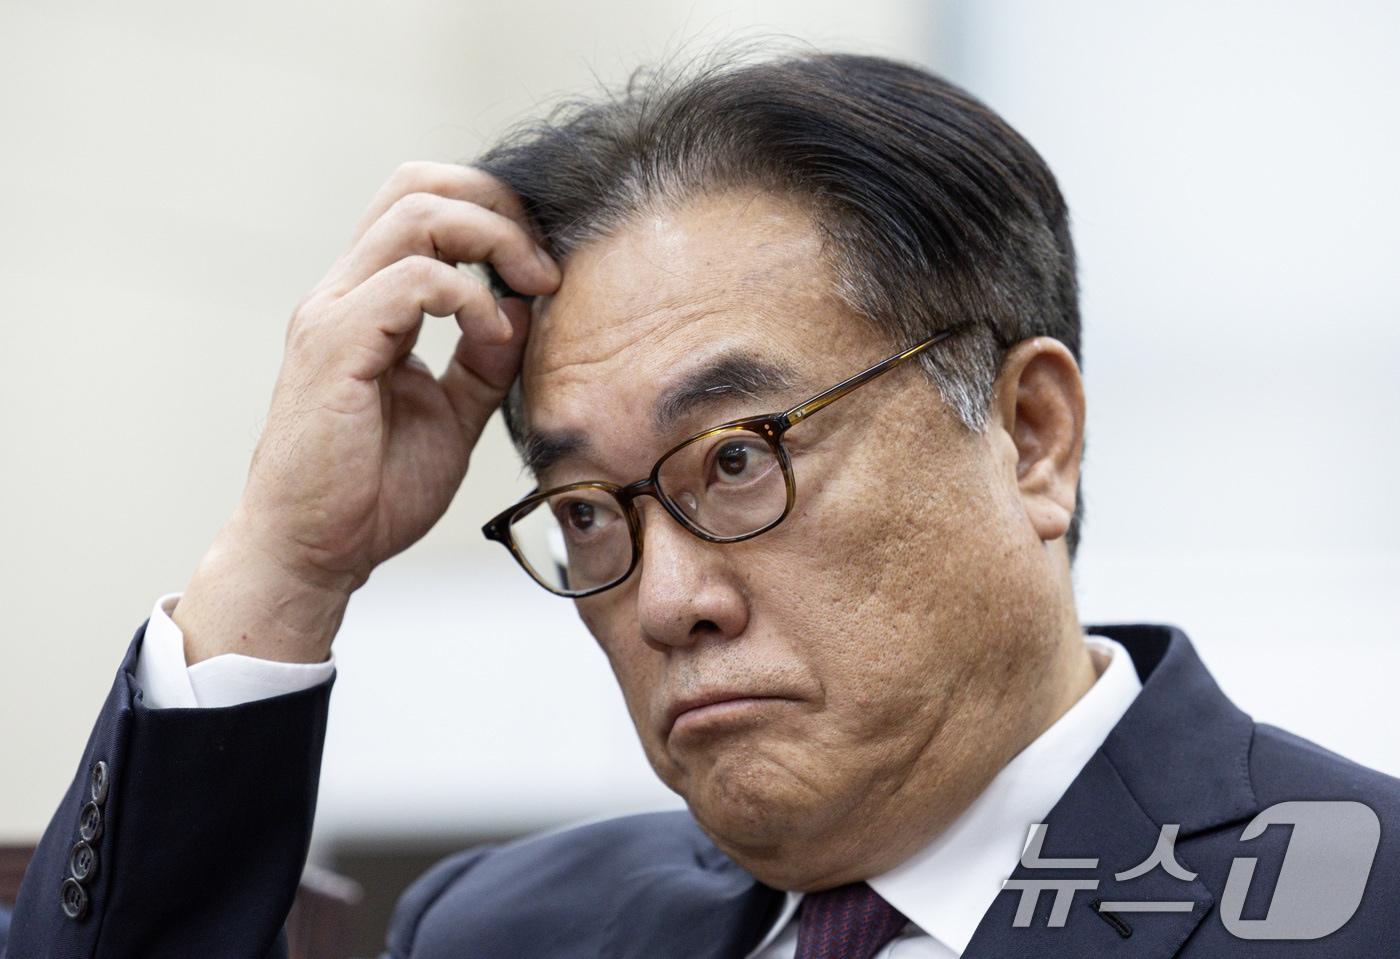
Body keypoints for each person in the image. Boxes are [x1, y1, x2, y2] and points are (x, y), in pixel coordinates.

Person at [5, 48, 1398, 959]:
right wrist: (283, 569)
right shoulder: (505, 934)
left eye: (737, 459)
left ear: (1032, 437)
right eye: (587, 511)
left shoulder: (1355, 900)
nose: (669, 600)